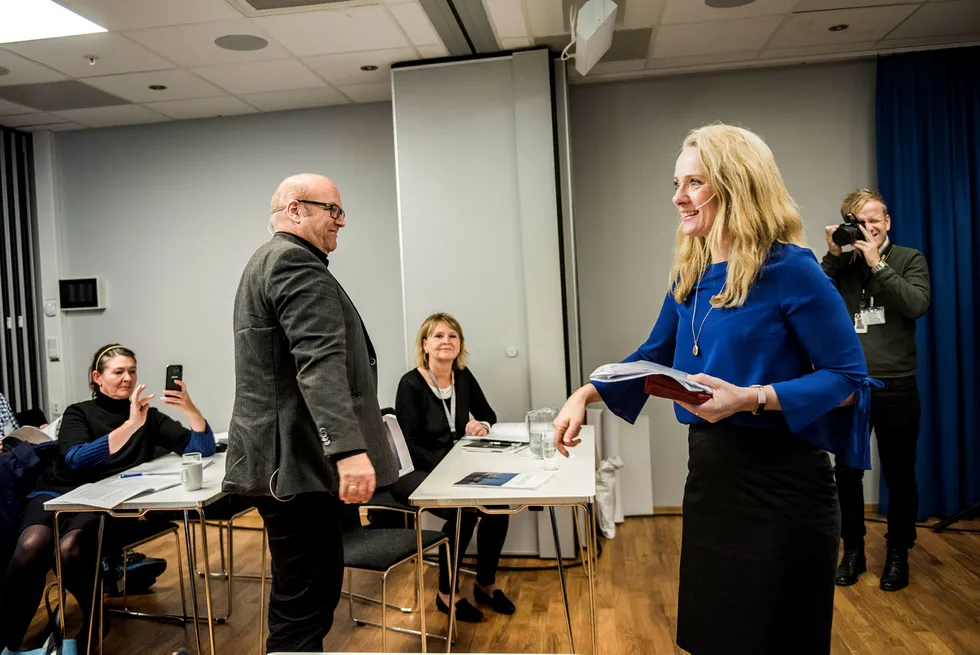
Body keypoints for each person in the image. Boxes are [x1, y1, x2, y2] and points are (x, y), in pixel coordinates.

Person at [553, 124, 877, 655]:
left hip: (784, 485)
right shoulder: (692, 272)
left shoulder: (791, 269)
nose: (678, 197)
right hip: (712, 479)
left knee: (776, 639)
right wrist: (584, 394)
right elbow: (651, 355)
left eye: (695, 182)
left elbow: (848, 381)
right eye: (676, 182)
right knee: (714, 637)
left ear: (738, 186)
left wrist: (751, 397)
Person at [225, 173, 399, 652]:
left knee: (303, 596)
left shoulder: (267, 261)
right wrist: (348, 451)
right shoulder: (294, 264)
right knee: (305, 603)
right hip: (297, 467)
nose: (341, 222)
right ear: (296, 209)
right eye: (333, 210)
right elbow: (318, 366)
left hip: (285, 463)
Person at [0, 344, 215, 653]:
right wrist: (129, 427)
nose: (127, 378)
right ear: (97, 378)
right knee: (33, 543)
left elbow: (200, 449)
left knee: (70, 548)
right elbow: (77, 459)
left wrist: (190, 410)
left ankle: (95, 619)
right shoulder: (79, 412)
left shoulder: (148, 417)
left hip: (102, 500)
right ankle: (9, 641)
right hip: (57, 491)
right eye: (118, 372)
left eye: (131, 371)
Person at [822, 189, 930, 592]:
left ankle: (899, 553)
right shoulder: (843, 263)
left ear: (888, 222)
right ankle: (853, 552)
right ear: (850, 223)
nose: (871, 227)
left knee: (900, 474)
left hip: (897, 383)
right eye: (861, 221)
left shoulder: (908, 258)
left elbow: (916, 304)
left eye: (877, 219)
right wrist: (834, 253)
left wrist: (878, 263)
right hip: (850, 385)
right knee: (846, 473)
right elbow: (813, 296)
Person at [393, 313, 513, 623]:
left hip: (456, 465)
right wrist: (451, 467)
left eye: (453, 336)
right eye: (438, 336)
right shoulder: (411, 383)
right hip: (414, 470)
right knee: (465, 509)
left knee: (500, 505)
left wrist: (480, 425)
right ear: (425, 344)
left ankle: (486, 584)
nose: (446, 341)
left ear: (459, 345)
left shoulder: (463, 376)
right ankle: (447, 593)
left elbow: (489, 414)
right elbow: (409, 444)